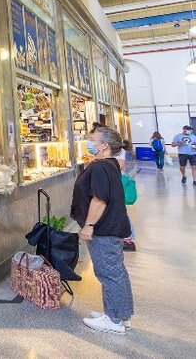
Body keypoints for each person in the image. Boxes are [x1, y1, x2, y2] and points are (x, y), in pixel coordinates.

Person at [72, 126, 134, 335]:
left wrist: (89, 225)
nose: (89, 142)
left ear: (104, 145)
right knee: (116, 272)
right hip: (112, 225)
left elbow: (99, 199)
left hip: (104, 228)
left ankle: (114, 321)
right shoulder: (109, 164)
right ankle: (120, 314)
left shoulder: (100, 167)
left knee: (109, 273)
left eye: (92, 139)